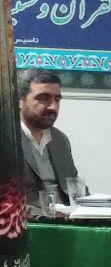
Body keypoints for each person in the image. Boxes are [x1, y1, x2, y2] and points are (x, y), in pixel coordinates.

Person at [17, 70, 79, 207]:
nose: (53, 107)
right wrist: (49, 213)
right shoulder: (7, 140)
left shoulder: (59, 139)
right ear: (20, 101)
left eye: (57, 99)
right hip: (31, 219)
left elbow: (75, 190)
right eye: (44, 98)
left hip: (69, 216)